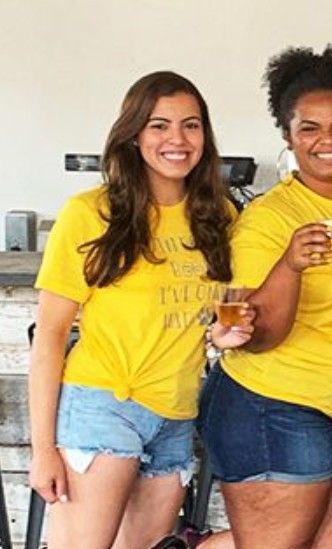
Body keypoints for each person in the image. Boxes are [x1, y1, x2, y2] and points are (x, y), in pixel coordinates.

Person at [29, 71, 251, 548]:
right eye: (159, 125)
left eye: (191, 126)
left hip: (175, 414)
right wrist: (42, 449)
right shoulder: (91, 214)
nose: (177, 139)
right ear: (133, 134)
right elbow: (49, 337)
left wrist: (222, 336)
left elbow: (213, 315)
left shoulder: (218, 216)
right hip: (104, 405)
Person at [196, 44, 332, 549]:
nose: (328, 141)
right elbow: (256, 335)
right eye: (309, 128)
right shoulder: (268, 219)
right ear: (288, 136)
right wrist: (290, 265)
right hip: (272, 403)